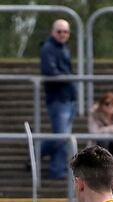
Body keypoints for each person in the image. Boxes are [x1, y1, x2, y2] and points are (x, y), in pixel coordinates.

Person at [39, 19, 77, 180]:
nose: (62, 34)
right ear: (52, 32)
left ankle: (57, 170)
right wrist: (70, 78)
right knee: (61, 136)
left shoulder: (64, 48)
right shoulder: (48, 48)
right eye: (59, 31)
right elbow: (50, 71)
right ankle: (35, 152)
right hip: (58, 99)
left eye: (66, 32)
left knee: (64, 137)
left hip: (68, 97)